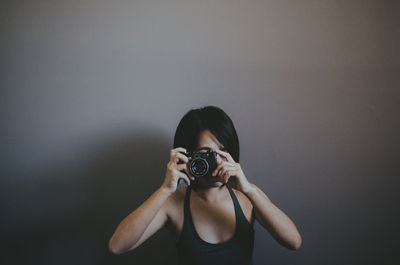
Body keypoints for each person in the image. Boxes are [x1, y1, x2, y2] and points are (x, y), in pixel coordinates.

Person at [108, 106, 302, 265]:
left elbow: (293, 242)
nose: (216, 162)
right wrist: (165, 189)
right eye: (206, 154)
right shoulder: (173, 203)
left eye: (223, 152)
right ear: (188, 156)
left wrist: (249, 190)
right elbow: (117, 246)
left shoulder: (247, 197)